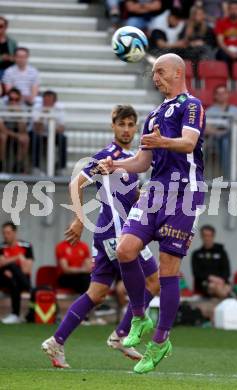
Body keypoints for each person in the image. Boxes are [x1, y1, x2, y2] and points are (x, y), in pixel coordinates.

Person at [98, 53, 205, 374]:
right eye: (153, 73)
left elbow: (188, 144)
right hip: (155, 191)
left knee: (168, 270)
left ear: (177, 72)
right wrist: (116, 164)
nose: (154, 77)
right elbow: (143, 162)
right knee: (125, 249)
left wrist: (163, 141)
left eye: (159, 72)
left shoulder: (192, 105)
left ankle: (160, 341)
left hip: (184, 192)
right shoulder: (154, 114)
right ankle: (141, 316)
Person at [41, 105, 159, 368]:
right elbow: (76, 184)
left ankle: (56, 342)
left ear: (136, 127)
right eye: (122, 124)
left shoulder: (132, 158)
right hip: (118, 233)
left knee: (97, 292)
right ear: (113, 126)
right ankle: (120, 335)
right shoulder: (106, 156)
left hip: (112, 233)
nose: (126, 129)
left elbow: (130, 195)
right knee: (154, 281)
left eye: (131, 125)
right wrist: (78, 219)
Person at [0, 222, 33, 324]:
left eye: (8, 233)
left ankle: (15, 314)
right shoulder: (2, 247)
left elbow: (27, 270)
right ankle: (29, 289)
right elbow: (1, 263)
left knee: (14, 276)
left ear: (15, 233)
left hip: (20, 278)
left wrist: (9, 264)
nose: (6, 235)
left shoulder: (26, 246)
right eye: (4, 233)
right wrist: (17, 257)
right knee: (11, 272)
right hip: (4, 277)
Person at [206, 85, 237, 179]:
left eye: (224, 93)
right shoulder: (209, 111)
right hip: (215, 138)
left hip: (234, 138)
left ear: (228, 95)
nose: (221, 95)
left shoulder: (235, 110)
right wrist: (218, 133)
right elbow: (206, 129)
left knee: (227, 140)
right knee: (225, 142)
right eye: (219, 93)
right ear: (215, 96)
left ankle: (231, 174)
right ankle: (229, 175)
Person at [31, 90, 67, 176]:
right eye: (45, 100)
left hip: (53, 134)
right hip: (40, 134)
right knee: (35, 137)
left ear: (54, 101)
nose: (46, 103)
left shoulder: (59, 109)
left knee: (63, 138)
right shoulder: (37, 108)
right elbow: (36, 128)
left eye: (49, 100)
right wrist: (43, 115)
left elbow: (61, 128)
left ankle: (61, 167)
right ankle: (35, 167)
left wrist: (50, 134)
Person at [191, 225, 231, 298]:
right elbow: (197, 273)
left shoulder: (221, 252)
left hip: (222, 282)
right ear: (201, 236)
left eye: (209, 236)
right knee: (215, 287)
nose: (207, 238)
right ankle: (229, 298)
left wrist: (220, 280)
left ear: (213, 236)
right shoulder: (196, 254)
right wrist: (211, 278)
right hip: (204, 283)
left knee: (226, 287)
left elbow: (227, 271)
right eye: (205, 236)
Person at [0, 87, 29, 173]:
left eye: (16, 99)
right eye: (11, 99)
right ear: (7, 98)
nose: (13, 101)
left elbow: (23, 130)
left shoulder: (23, 107)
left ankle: (18, 165)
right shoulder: (1, 105)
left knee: (25, 139)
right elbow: (2, 128)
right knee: (3, 137)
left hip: (15, 131)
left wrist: (18, 114)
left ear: (20, 99)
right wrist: (17, 136)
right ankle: (1, 164)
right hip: (4, 131)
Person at [0, 16, 17, 80]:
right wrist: (2, 58)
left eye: (1, 26)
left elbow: (16, 56)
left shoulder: (12, 42)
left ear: (6, 27)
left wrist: (12, 58)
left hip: (10, 70)